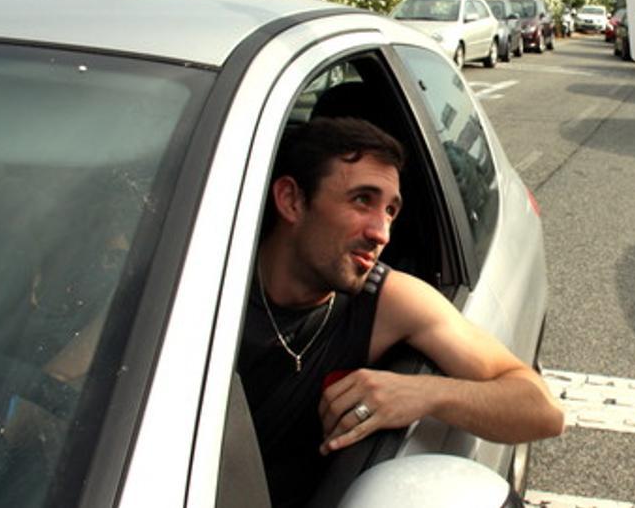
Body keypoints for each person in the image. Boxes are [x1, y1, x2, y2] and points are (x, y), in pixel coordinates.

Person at [238, 117, 564, 507]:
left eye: (391, 210)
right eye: (362, 200)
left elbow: (543, 410)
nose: (382, 232)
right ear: (291, 200)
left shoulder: (386, 300)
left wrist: (425, 393)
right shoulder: (202, 283)